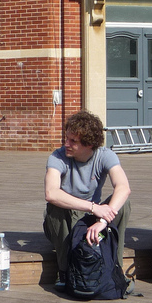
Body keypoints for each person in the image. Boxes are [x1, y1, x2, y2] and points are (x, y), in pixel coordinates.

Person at [44, 110, 132, 289]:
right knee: (56, 207)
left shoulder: (105, 155)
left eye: (73, 141)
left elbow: (123, 187)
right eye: (66, 138)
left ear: (89, 144)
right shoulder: (57, 157)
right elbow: (51, 193)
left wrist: (102, 220)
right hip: (65, 220)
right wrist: (93, 207)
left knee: (123, 204)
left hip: (93, 219)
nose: (66, 144)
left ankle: (116, 268)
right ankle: (64, 271)